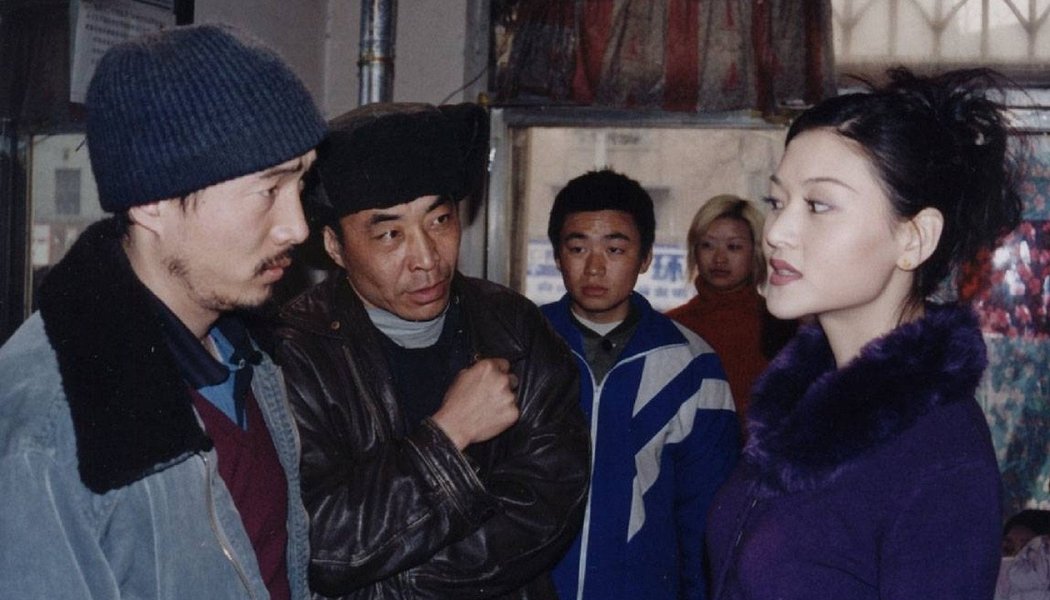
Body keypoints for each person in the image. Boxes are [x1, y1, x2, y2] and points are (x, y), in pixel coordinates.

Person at [0, 24, 326, 599]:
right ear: (151, 202)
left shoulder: (250, 355)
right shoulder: (44, 432)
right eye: (268, 190)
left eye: (300, 182)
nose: (297, 227)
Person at [706, 67, 1023, 599]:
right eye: (777, 202)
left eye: (818, 205)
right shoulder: (796, 410)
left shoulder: (941, 456)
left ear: (914, 238)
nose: (777, 232)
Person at [272, 102, 590, 599]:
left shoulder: (513, 326)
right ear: (334, 246)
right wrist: (449, 433)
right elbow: (323, 543)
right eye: (390, 234)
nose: (426, 259)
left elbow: (546, 505)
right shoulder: (296, 351)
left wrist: (394, 585)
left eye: (440, 220)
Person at [540, 169, 739, 600]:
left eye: (615, 249)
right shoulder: (520, 347)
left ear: (646, 257)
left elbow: (706, 519)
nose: (595, 267)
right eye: (578, 248)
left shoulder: (692, 366)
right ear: (557, 255)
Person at [666, 195, 796, 431]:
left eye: (734, 247)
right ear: (694, 251)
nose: (719, 258)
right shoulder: (670, 327)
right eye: (707, 245)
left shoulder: (783, 326)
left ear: (756, 252)